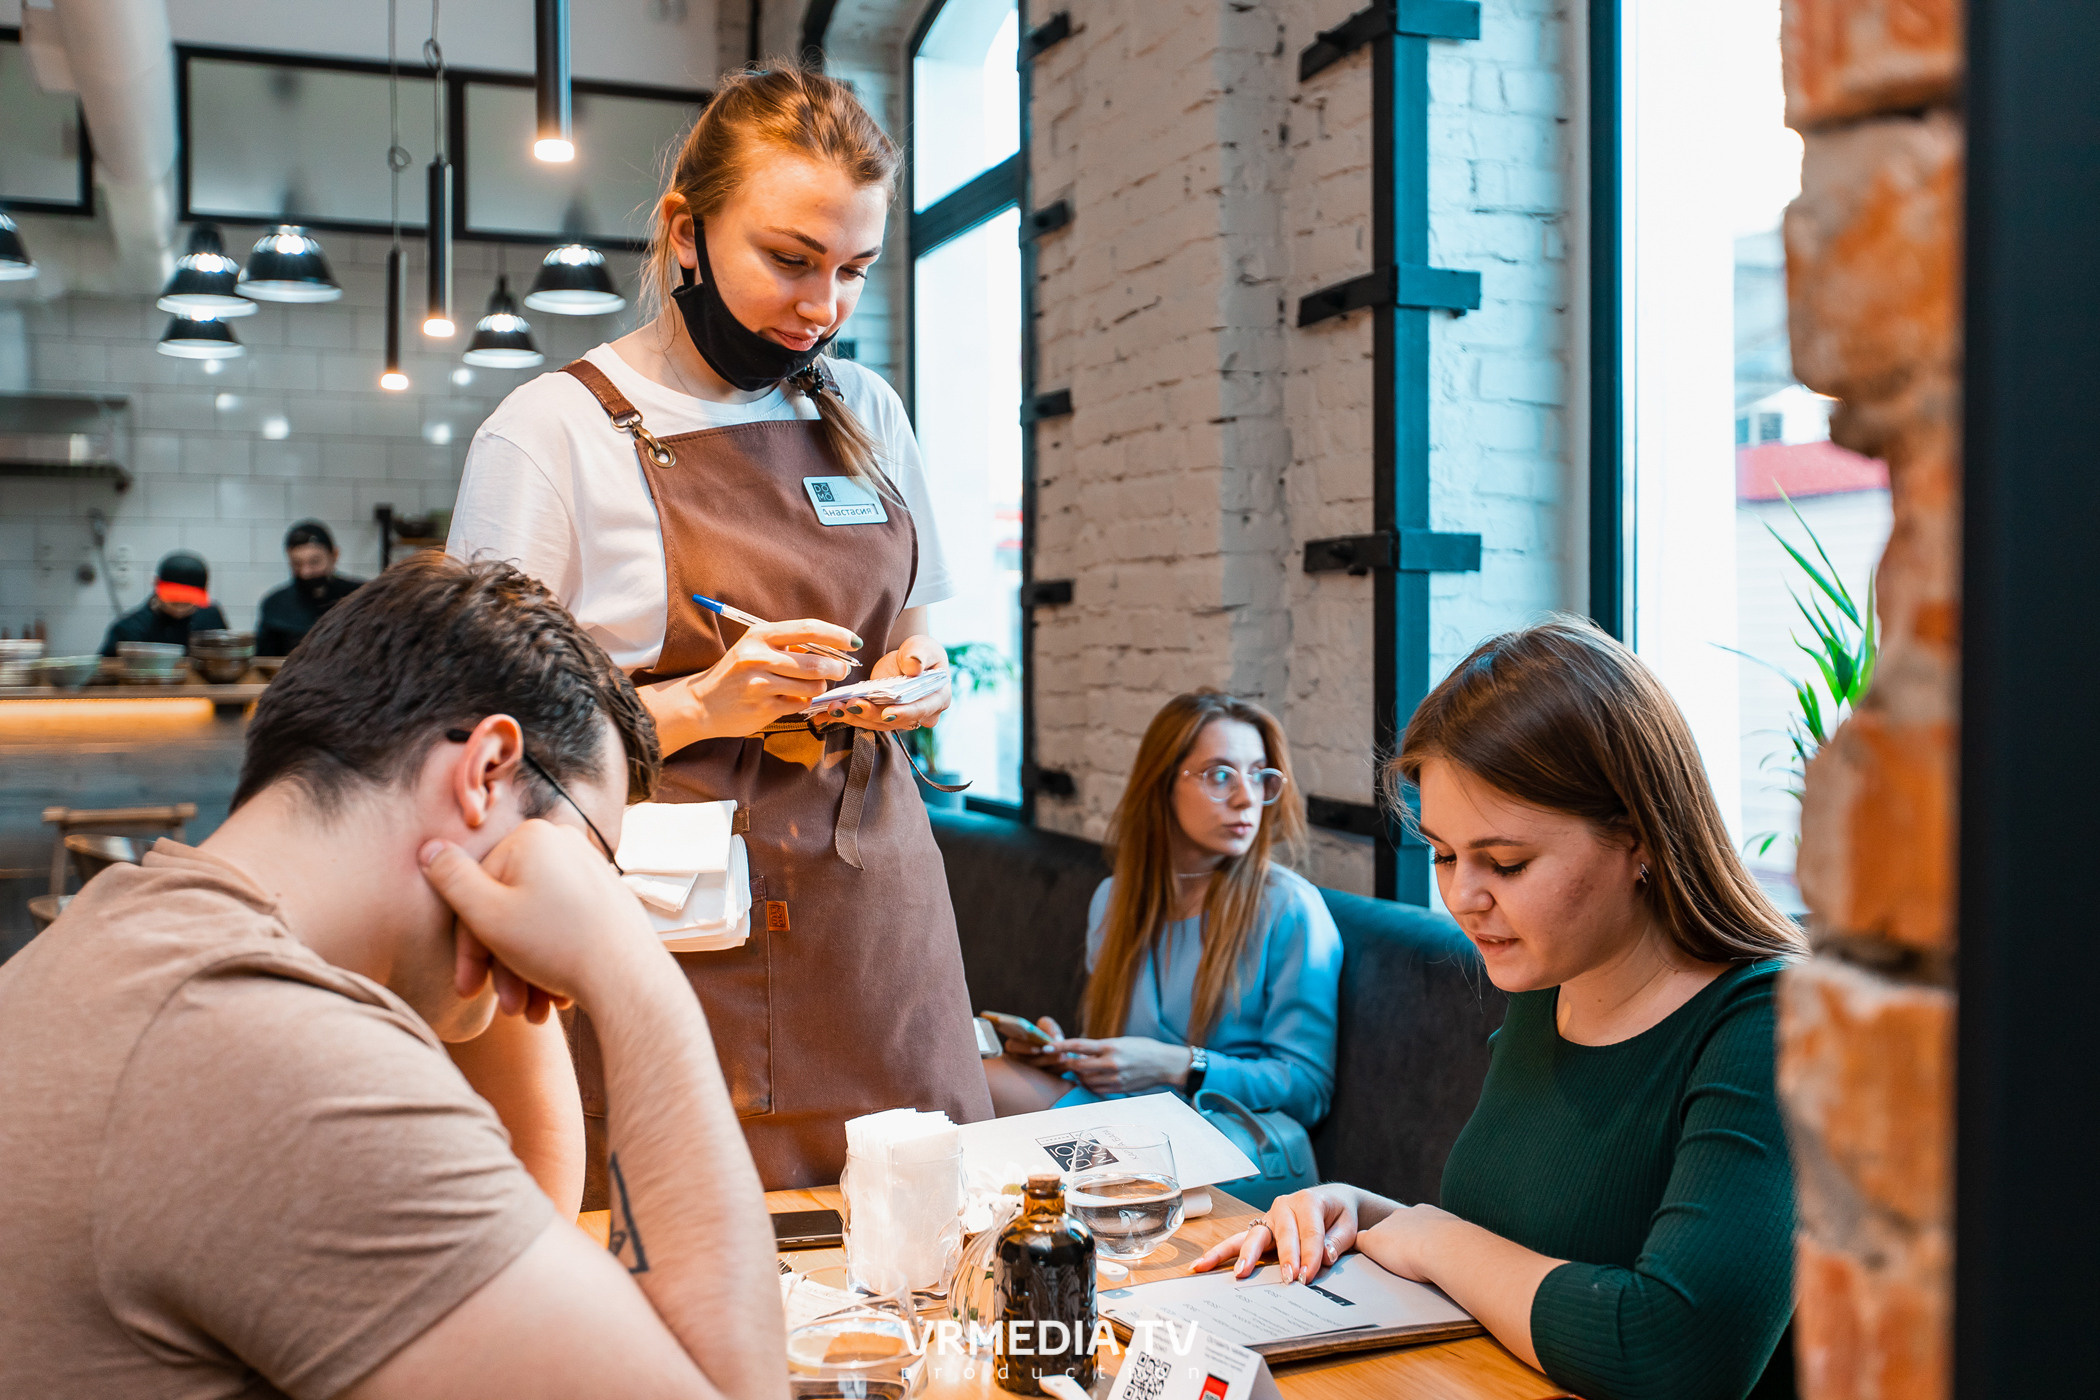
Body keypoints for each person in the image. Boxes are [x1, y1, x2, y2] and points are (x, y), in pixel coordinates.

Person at [0, 554, 788, 1399]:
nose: (589, 890)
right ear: (487, 770)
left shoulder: (124, 936)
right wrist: (631, 970)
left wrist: (504, 950)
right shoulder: (281, 1068)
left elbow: (519, 1257)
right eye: (594, 856)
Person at [448, 62, 989, 1192]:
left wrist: (917, 684)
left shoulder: (867, 412)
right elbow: (471, 751)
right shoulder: (552, 434)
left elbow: (926, 637)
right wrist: (701, 705)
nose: (823, 307)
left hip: (874, 926)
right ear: (685, 233)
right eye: (790, 260)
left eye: (854, 269)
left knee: (912, 1249)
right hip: (666, 930)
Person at [1193, 620, 1805, 1400]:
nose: (1463, 899)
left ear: (1640, 836)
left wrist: (1428, 1234)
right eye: (1445, 856)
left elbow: (1674, 1353)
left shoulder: (1769, 1023)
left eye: (1507, 863)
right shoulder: (1549, 983)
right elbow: (1515, 1257)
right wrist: (1360, 1213)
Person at [984, 691, 1341, 1134]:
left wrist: (1182, 1065)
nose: (1246, 798)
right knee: (979, 1075)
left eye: (1258, 776)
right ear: (1163, 783)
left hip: (1226, 1132)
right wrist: (1069, 1058)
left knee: (991, 1091)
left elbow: (1309, 1089)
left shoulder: (1291, 909)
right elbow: (1121, 1057)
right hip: (1127, 1116)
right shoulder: (1114, 900)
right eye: (1221, 775)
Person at [256, 518, 364, 655]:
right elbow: (265, 661)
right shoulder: (274, 604)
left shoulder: (361, 596)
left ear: (334, 555)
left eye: (314, 562)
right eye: (297, 564)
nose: (305, 572)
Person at [99, 548, 230, 655]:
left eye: (188, 600)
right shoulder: (128, 629)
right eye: (173, 598)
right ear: (156, 584)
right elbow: (105, 672)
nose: (180, 606)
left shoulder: (211, 616)